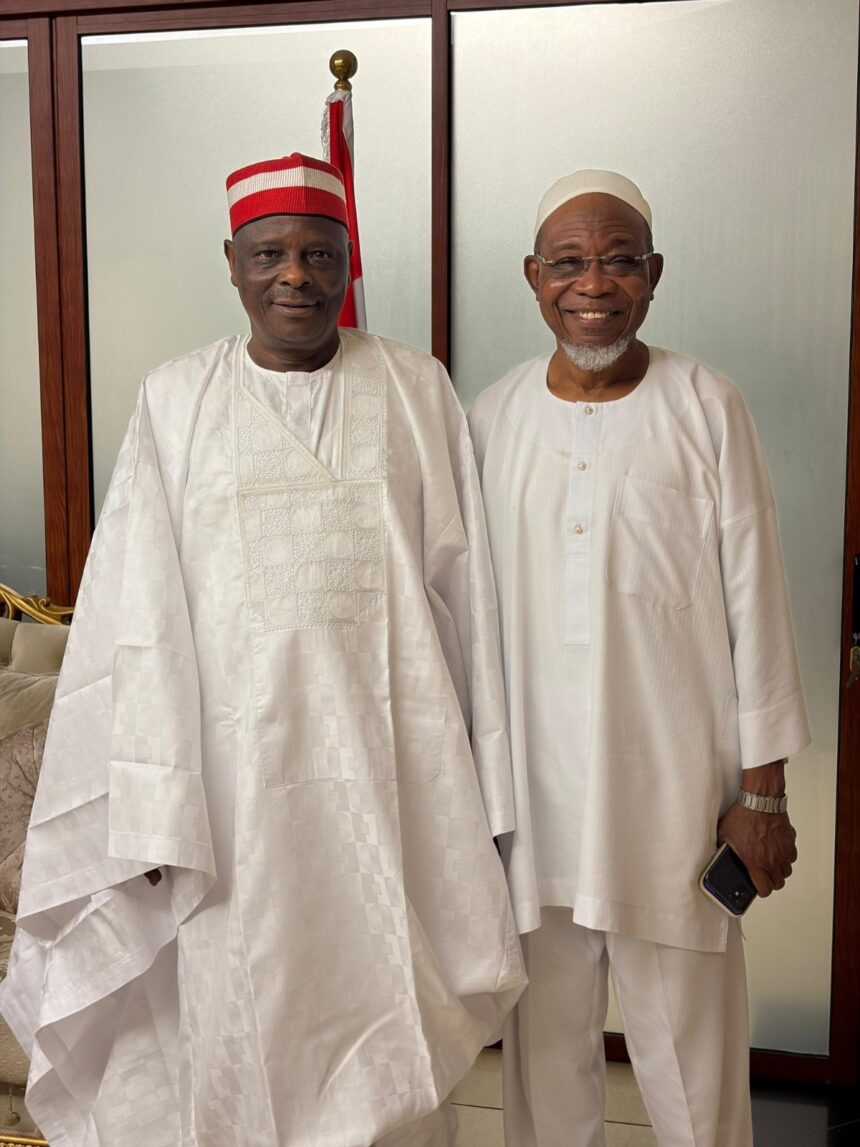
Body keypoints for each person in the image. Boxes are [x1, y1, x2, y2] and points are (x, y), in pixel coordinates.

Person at [1, 153, 525, 1147]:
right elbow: (136, 613)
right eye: (271, 254)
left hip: (394, 779)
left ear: (347, 262)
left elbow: (466, 603)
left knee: (388, 1002)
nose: (296, 275)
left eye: (319, 254)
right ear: (232, 265)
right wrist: (150, 804)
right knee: (237, 1013)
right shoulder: (176, 399)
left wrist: (481, 794)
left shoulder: (415, 388)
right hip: (231, 794)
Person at [467, 170, 810, 1147]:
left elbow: (757, 599)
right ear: (533, 278)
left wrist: (763, 795)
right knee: (541, 1069)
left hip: (673, 804)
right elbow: (462, 625)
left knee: (693, 1077)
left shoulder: (706, 406)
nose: (593, 283)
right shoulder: (488, 421)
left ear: (652, 275)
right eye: (568, 263)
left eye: (617, 260)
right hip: (533, 813)